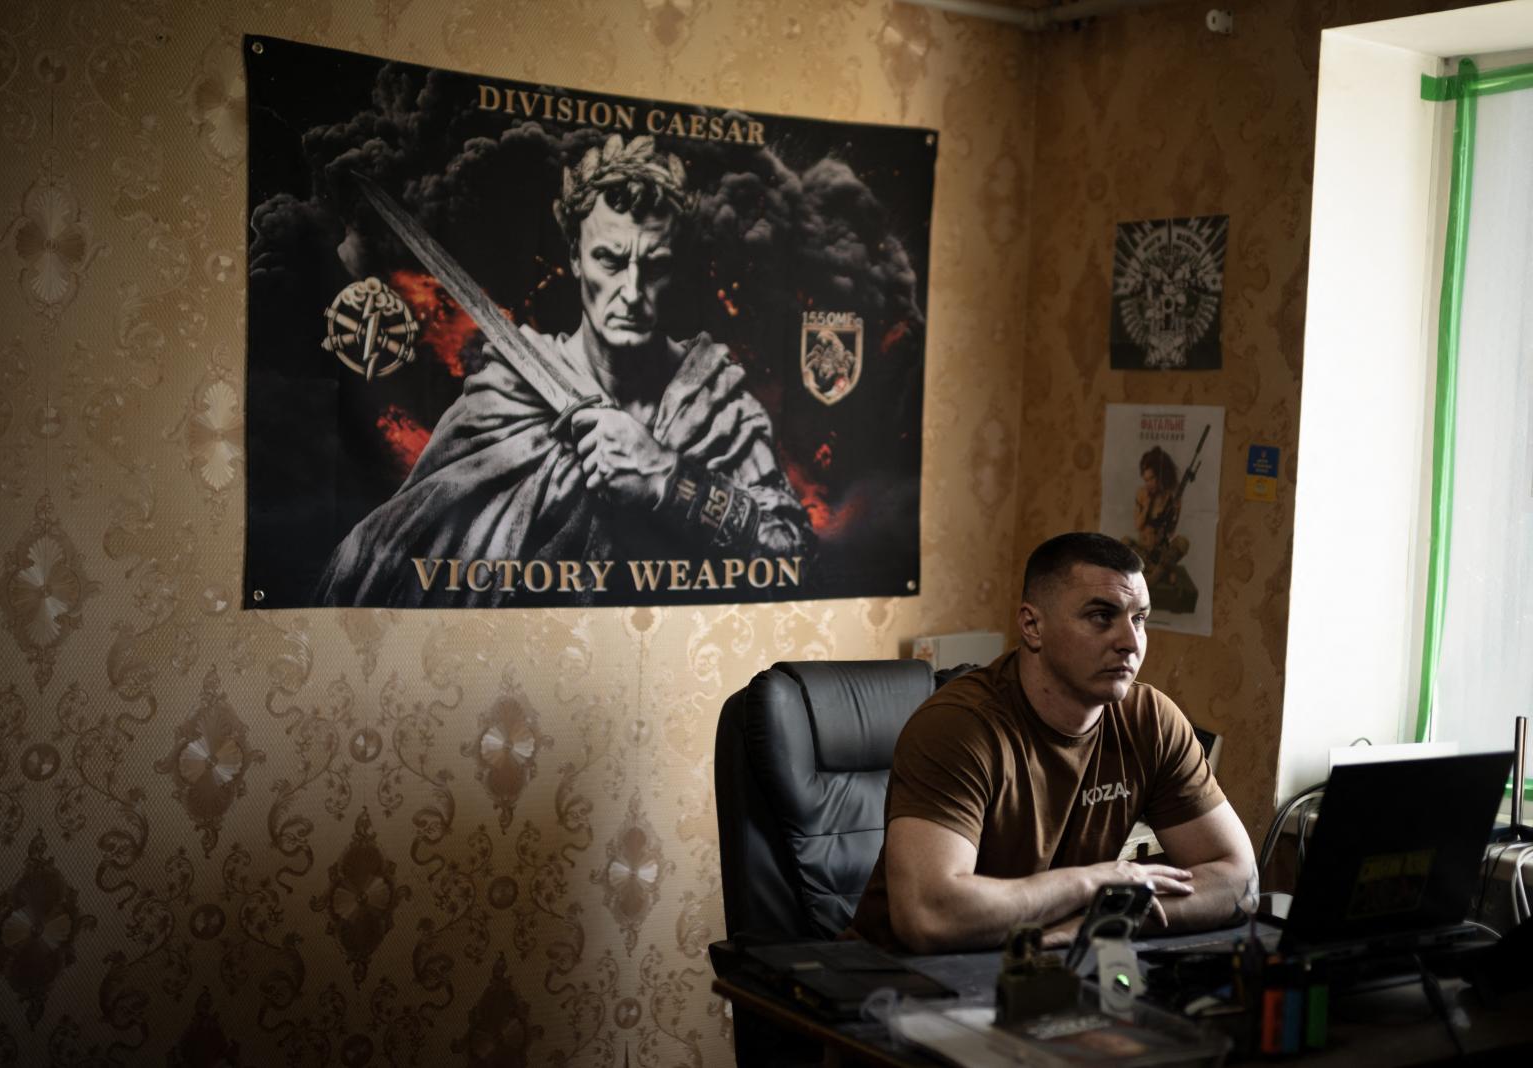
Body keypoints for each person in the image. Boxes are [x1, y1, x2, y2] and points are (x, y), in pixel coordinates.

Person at [317, 135, 813, 605]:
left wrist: (669, 477)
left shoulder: (717, 405)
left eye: (654, 265)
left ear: (676, 268)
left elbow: (795, 562)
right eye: (609, 260)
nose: (632, 292)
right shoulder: (505, 396)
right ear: (575, 257)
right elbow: (383, 553)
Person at [845, 532, 1255, 953]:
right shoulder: (958, 727)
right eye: (1101, 616)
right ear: (1033, 626)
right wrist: (1092, 883)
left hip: (1043, 961)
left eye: (1139, 619)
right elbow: (928, 917)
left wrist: (1103, 922)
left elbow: (1240, 879)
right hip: (898, 976)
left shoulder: (1151, 720)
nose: (1130, 643)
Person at [1127, 445, 1189, 586]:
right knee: (1125, 542)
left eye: (1152, 479)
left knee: (1183, 542)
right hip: (1143, 551)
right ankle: (1162, 573)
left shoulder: (1171, 497)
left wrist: (1175, 512)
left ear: (1161, 476)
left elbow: (1171, 532)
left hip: (1160, 553)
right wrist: (1147, 505)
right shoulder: (1142, 494)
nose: (1148, 484)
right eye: (1145, 479)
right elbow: (1138, 525)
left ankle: (1153, 576)